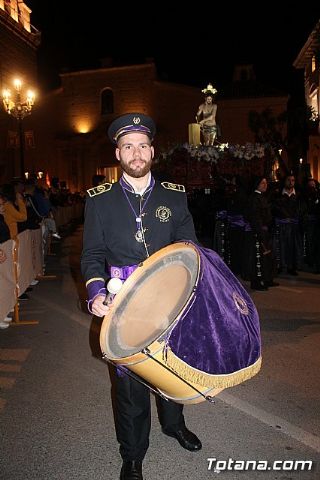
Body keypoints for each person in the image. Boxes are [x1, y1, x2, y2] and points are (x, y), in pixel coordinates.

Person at [81, 113, 202, 480]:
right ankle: (133, 454)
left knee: (170, 369)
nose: (137, 153)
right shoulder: (99, 200)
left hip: (168, 302)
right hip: (123, 306)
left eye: (143, 146)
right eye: (128, 146)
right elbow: (91, 256)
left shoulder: (174, 196)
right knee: (130, 383)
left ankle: (173, 423)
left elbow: (190, 248)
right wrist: (96, 293)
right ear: (118, 153)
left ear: (153, 151)